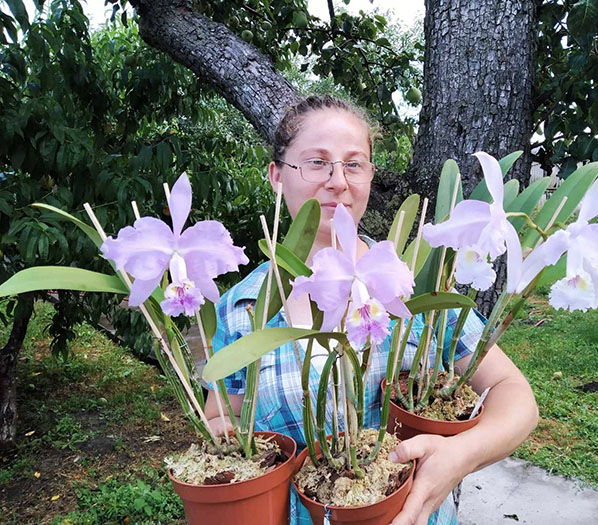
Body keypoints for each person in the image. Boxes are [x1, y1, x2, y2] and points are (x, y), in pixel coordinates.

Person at [205, 95, 539, 525]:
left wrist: (461, 455)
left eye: (354, 163)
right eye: (316, 162)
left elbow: (516, 395)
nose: (338, 181)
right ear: (276, 175)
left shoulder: (413, 284)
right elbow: (222, 418)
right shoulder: (245, 308)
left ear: (369, 176)